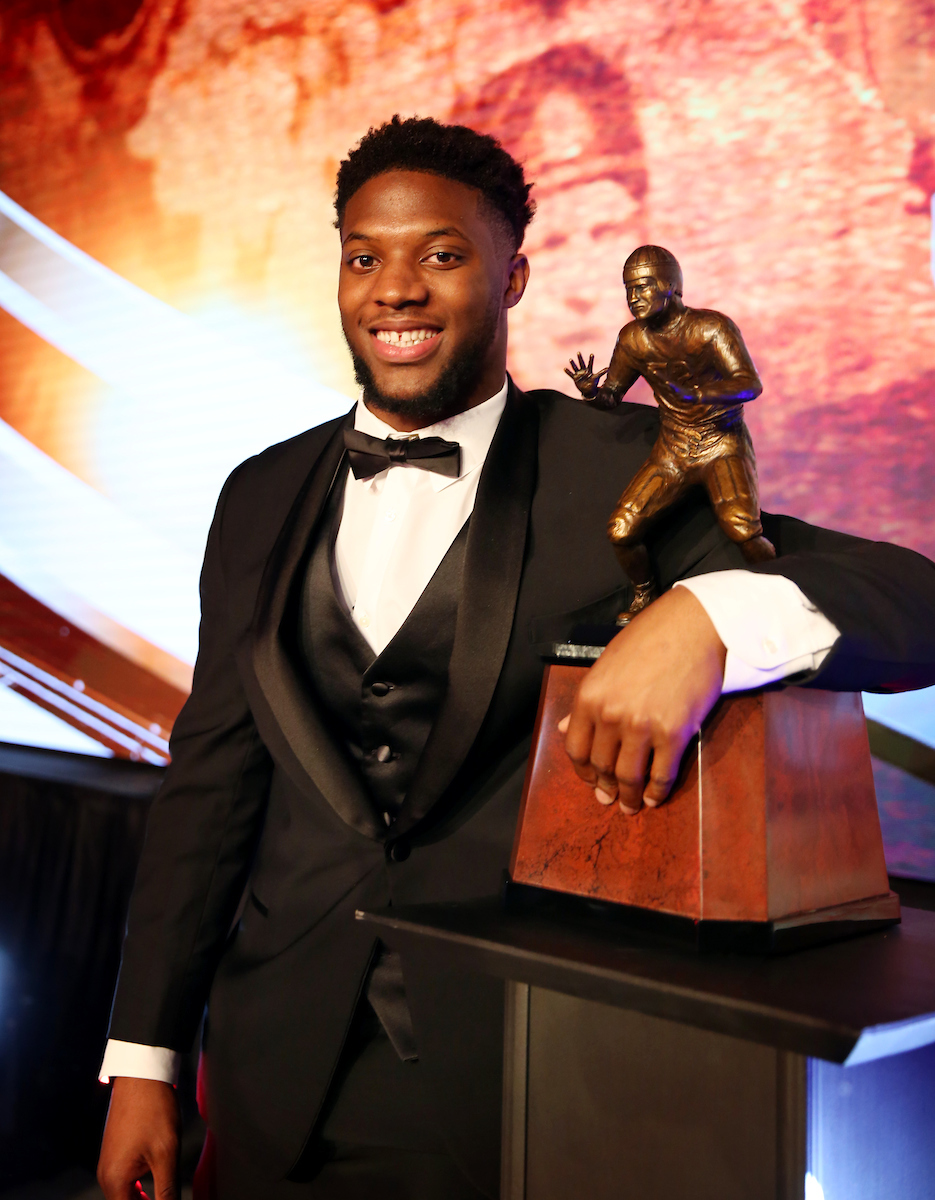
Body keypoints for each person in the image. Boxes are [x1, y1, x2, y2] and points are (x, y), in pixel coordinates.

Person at [96, 116, 935, 1200]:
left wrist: (705, 617)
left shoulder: (614, 469)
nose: (395, 287)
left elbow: (910, 600)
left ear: (513, 276)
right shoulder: (256, 492)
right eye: (364, 256)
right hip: (273, 1078)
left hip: (533, 1081)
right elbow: (206, 794)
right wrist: (145, 1063)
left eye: (440, 254)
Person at [566, 244, 775, 623]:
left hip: (720, 442)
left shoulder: (711, 327)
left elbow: (749, 384)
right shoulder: (633, 339)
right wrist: (592, 393)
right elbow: (613, 396)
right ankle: (645, 594)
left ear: (670, 285)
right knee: (621, 529)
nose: (634, 298)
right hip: (674, 449)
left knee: (743, 529)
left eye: (643, 287)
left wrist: (697, 394)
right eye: (628, 289)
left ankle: (781, 590)